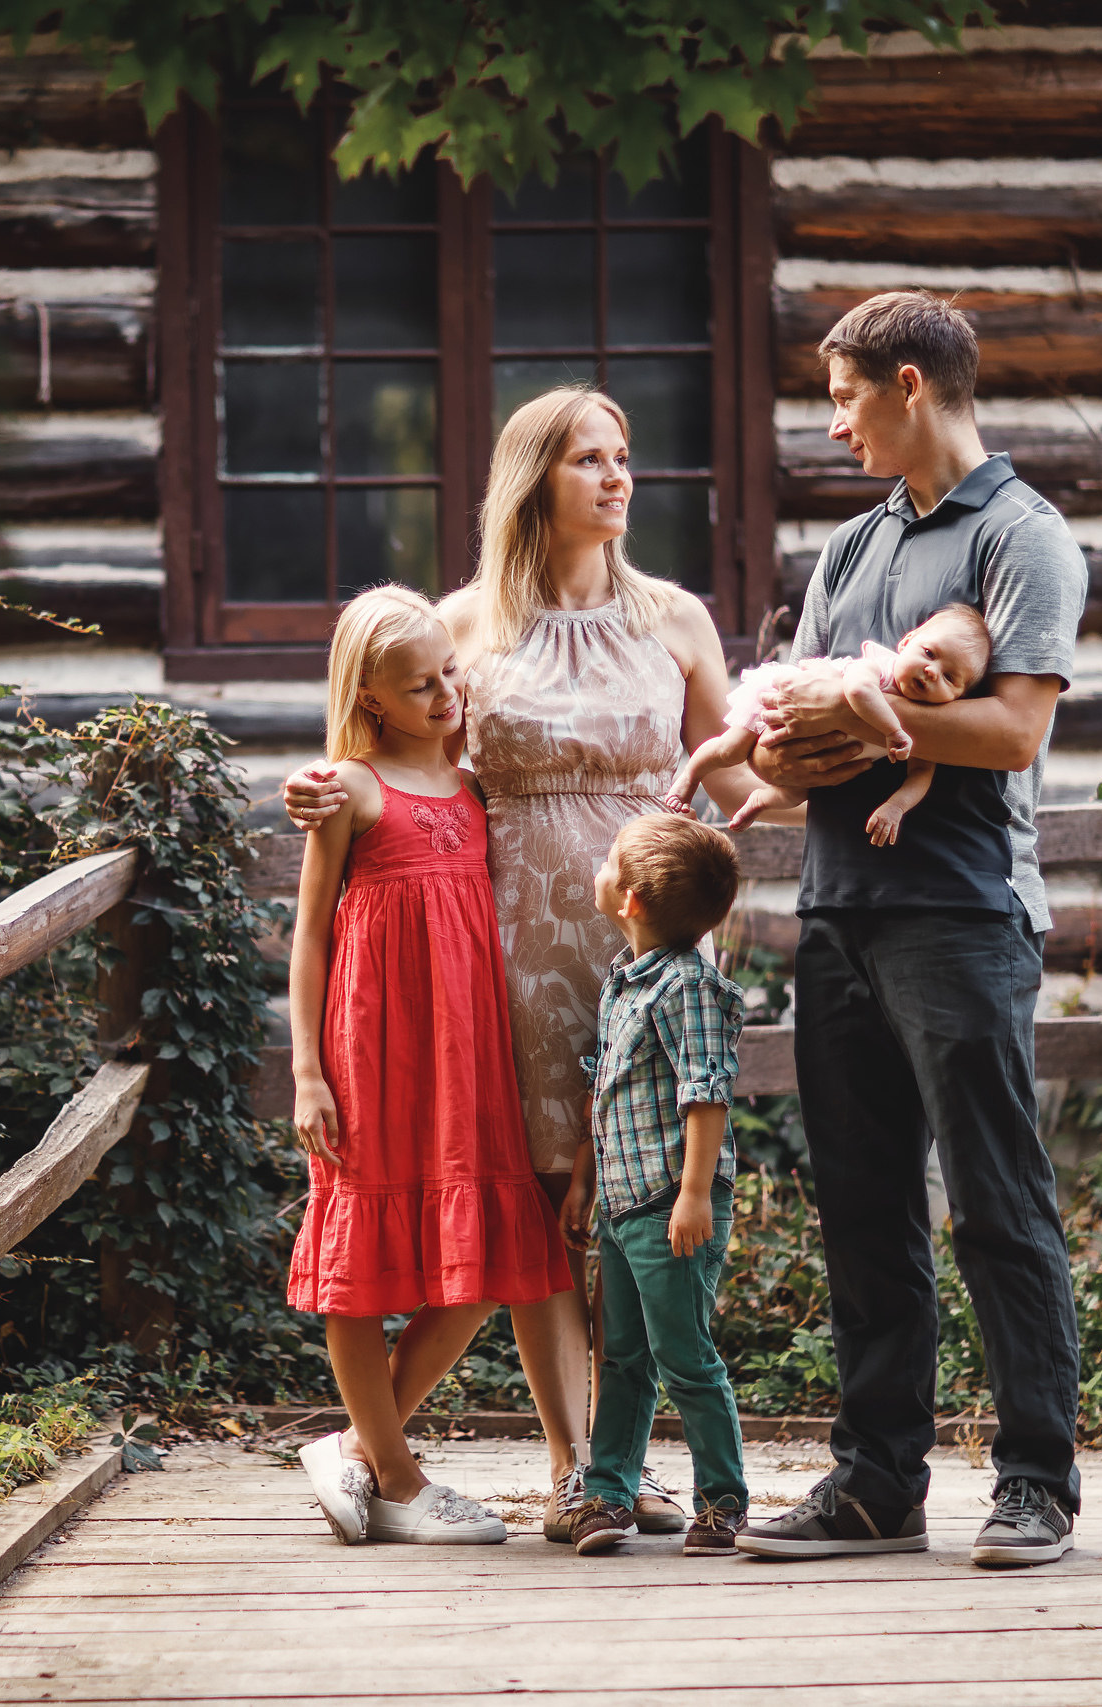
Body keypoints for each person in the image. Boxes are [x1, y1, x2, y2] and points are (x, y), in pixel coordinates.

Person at [284, 388, 762, 1542]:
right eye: (586, 460)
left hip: (644, 941)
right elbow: (390, 748)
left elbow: (742, 790)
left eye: (624, 456)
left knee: (643, 1196)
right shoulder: (468, 626)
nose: (616, 478)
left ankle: (622, 1460)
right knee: (543, 1208)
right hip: (502, 948)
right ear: (532, 480)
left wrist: (842, 752)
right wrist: (317, 785)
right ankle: (576, 1475)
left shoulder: (679, 621)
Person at [730, 291, 1088, 1569]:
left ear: (912, 384)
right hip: (837, 911)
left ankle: (1036, 1481)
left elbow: (1012, 734)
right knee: (862, 1207)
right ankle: (877, 1483)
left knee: (997, 1201)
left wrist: (863, 722)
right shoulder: (851, 550)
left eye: (844, 397)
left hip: (962, 916)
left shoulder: (1023, 540)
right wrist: (803, 734)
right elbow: (793, 729)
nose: (834, 426)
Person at [286, 584, 575, 1545]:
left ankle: (360, 1450)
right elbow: (311, 936)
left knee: (495, 1259)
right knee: (360, 1256)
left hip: (467, 1048)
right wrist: (305, 1071)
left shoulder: (474, 781)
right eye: (420, 686)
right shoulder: (351, 786)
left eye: (450, 671)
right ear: (371, 699)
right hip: (372, 1047)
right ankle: (400, 1479)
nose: (447, 693)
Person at [559, 814, 750, 1559]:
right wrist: (585, 1182)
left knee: (684, 1354)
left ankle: (723, 1499)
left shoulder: (689, 987)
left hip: (673, 1204)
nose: (599, 867)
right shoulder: (623, 979)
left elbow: (707, 1094)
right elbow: (601, 1091)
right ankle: (609, 1492)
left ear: (630, 898)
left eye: (610, 861)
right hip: (623, 1199)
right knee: (622, 1356)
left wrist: (695, 1193)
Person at [663, 602, 992, 841]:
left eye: (950, 677)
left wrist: (895, 808)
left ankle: (759, 801)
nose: (931, 671)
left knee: (798, 791)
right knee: (730, 749)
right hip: (780, 699)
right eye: (929, 653)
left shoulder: (932, 724)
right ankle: (689, 777)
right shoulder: (881, 668)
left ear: (959, 697)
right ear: (906, 643)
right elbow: (856, 690)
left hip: (814, 752)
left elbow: (921, 776)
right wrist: (893, 730)